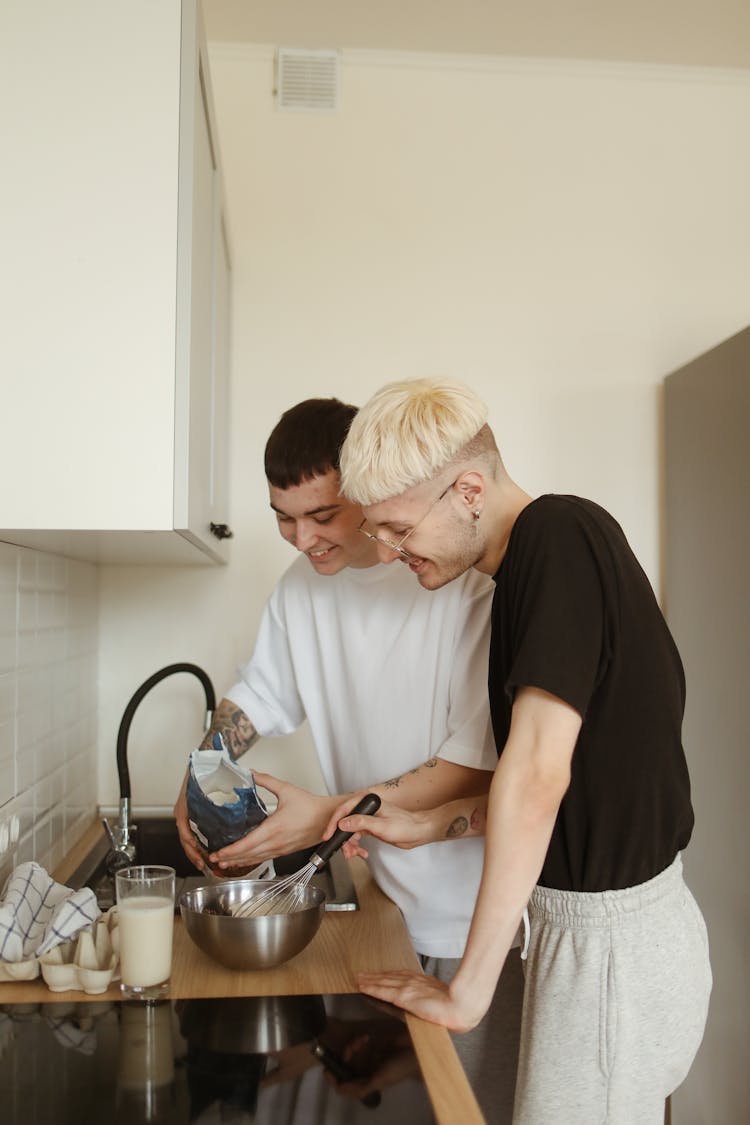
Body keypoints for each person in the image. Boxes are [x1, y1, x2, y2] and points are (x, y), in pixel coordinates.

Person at [331, 377, 712, 1125]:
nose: (385, 549)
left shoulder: (558, 539)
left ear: (468, 489)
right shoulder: (530, 570)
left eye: (398, 527)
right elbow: (582, 786)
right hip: (592, 939)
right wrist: (427, 823)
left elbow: (538, 776)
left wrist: (467, 987)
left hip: (611, 957)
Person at [173, 397, 524, 1122]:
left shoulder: (459, 581)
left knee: (476, 1110)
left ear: (366, 486)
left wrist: (324, 818)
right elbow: (256, 699)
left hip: (481, 926)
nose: (302, 538)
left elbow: (472, 765)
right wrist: (203, 765)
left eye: (323, 515)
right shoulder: (301, 592)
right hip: (387, 911)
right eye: (283, 515)